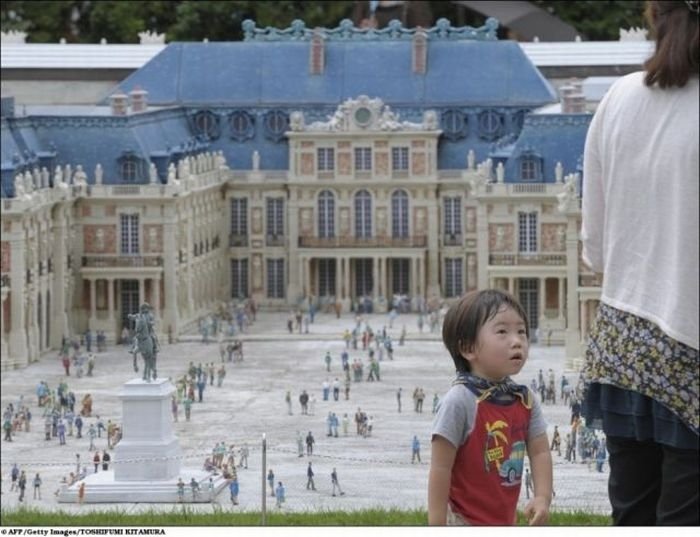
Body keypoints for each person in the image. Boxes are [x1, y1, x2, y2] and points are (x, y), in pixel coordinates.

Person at [580, 2, 699, 526]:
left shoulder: (619, 97)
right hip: (691, 341)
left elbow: (595, 250)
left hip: (623, 340)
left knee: (631, 513)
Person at [428, 289, 552, 526]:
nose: (517, 341)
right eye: (502, 332)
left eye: (522, 331)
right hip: (463, 521)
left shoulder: (524, 400)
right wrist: (436, 524)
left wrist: (542, 497)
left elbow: (540, 452)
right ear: (468, 348)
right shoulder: (459, 401)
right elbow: (440, 467)